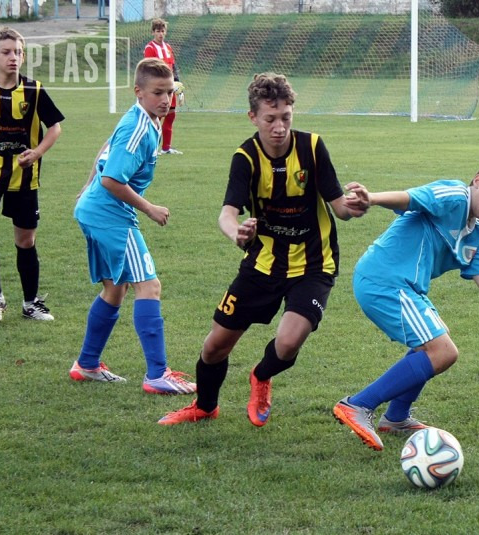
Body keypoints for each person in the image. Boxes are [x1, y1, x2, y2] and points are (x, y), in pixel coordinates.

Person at [158, 72, 368, 425]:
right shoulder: (246, 157)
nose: (279, 127)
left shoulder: (312, 148)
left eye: (286, 117)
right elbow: (227, 214)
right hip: (262, 263)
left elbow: (340, 208)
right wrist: (237, 234)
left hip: (314, 264)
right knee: (215, 346)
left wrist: (357, 205)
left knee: (288, 342)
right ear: (253, 117)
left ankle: (261, 375)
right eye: (270, 119)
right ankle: (205, 406)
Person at [333, 156, 479, 450]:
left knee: (431, 345)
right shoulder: (454, 196)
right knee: (442, 351)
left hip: (405, 287)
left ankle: (396, 418)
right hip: (384, 280)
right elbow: (409, 198)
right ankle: (358, 405)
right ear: (478, 180)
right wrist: (371, 199)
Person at [69, 58, 196, 395]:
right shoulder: (138, 126)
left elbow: (105, 149)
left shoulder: (143, 118)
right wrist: (150, 208)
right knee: (149, 286)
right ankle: (157, 374)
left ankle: (86, 364)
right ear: (138, 91)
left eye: (169, 92)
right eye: (158, 93)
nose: (165, 99)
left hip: (95, 210)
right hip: (110, 215)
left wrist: (86, 189)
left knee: (115, 289)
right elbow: (112, 178)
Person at [0, 27, 64, 325]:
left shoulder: (34, 90)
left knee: (26, 241)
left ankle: (30, 303)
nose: (13, 57)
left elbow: (55, 127)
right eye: (6, 52)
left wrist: (37, 152)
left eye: (17, 52)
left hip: (25, 176)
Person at [143, 18, 183, 155]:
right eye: (157, 31)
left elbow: (173, 66)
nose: (160, 34)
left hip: (170, 87)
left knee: (171, 115)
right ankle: (152, 148)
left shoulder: (168, 47)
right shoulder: (150, 48)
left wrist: (178, 84)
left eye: (162, 31)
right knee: (156, 117)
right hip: (159, 88)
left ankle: (166, 148)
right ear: (153, 32)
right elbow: (149, 68)